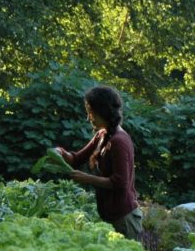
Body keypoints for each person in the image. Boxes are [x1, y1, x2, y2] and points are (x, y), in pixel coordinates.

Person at [57, 85, 143, 241]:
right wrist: (60, 153)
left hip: (124, 219)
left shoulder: (119, 141)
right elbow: (76, 159)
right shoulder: (102, 135)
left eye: (91, 112)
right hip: (110, 216)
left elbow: (120, 182)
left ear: (103, 112)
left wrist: (86, 178)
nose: (89, 118)